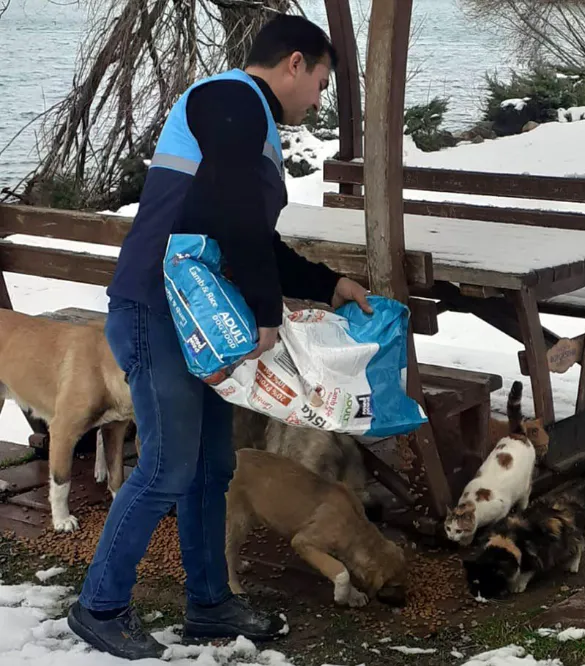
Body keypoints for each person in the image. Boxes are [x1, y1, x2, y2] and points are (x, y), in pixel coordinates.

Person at [66, 15, 371, 660]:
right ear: (294, 63)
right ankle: (99, 605)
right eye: (320, 82)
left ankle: (209, 604)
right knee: (168, 465)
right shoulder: (230, 99)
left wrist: (326, 282)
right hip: (157, 311)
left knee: (211, 465)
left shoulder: (248, 121)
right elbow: (234, 214)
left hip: (198, 321)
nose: (318, 99)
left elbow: (250, 236)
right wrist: (264, 311)